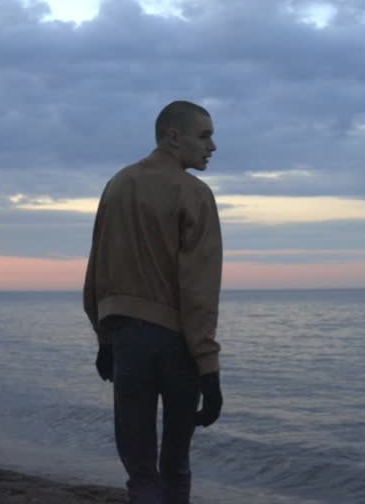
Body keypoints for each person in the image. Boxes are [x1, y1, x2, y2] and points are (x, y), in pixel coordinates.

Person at [83, 100, 224, 504]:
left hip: (127, 340)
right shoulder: (194, 194)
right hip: (177, 344)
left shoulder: (118, 184)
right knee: (175, 466)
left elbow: (97, 272)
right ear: (173, 136)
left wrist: (104, 340)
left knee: (141, 472)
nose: (212, 146)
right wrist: (209, 369)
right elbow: (199, 290)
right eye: (205, 135)